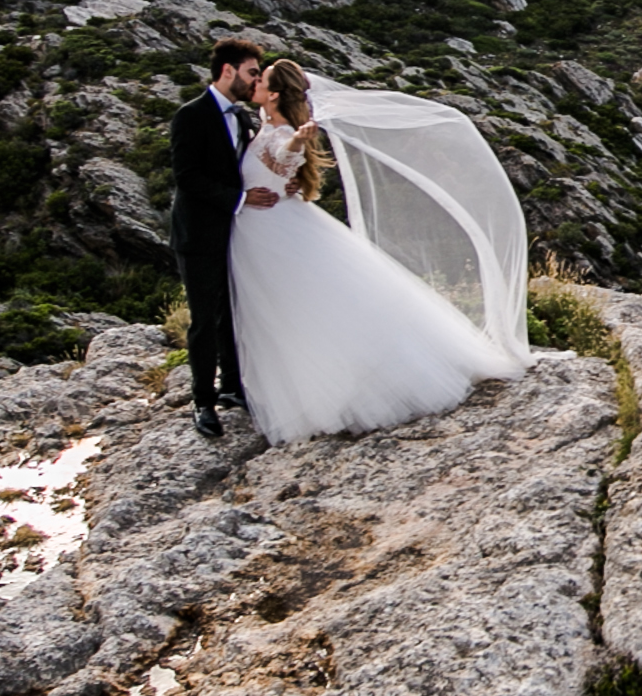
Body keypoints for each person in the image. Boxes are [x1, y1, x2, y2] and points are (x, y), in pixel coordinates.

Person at [227, 59, 519, 443]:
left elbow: (285, 154)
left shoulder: (282, 133)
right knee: (286, 311)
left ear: (275, 93)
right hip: (264, 227)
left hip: (272, 232)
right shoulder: (261, 124)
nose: (254, 85)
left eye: (261, 80)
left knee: (294, 311)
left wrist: (298, 141)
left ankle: (333, 389)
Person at [167, 39, 281, 440]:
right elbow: (187, 177)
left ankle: (233, 387)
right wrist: (239, 199)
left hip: (237, 234)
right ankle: (203, 402)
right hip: (198, 234)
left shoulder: (246, 118)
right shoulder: (191, 115)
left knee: (230, 313)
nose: (255, 80)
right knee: (202, 320)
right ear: (228, 70)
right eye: (252, 72)